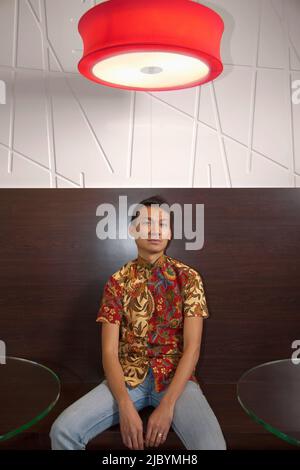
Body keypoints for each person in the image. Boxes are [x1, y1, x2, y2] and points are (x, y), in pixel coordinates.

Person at [49, 195, 227, 450]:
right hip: (126, 379)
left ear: (170, 232)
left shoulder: (188, 278)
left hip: (175, 378)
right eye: (147, 223)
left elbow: (193, 347)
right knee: (63, 431)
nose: (155, 230)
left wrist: (167, 405)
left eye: (163, 223)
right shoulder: (117, 282)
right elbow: (109, 351)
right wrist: (124, 405)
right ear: (133, 230)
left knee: (213, 446)